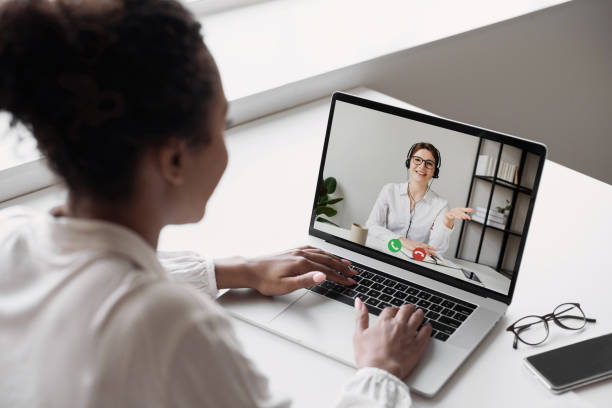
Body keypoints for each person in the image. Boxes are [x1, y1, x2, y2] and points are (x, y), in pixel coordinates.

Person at [0, 1, 432, 406]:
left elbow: (91, 272)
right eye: (221, 124)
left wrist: (235, 270)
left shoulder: (11, 236)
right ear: (173, 159)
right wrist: (382, 370)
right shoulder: (173, 330)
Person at [366, 142, 473, 257]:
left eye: (429, 163)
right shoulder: (389, 190)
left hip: (415, 262)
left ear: (435, 171)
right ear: (409, 162)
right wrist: (402, 241)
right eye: (417, 160)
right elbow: (371, 227)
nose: (422, 167)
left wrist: (447, 222)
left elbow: (436, 250)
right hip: (384, 254)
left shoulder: (441, 205)